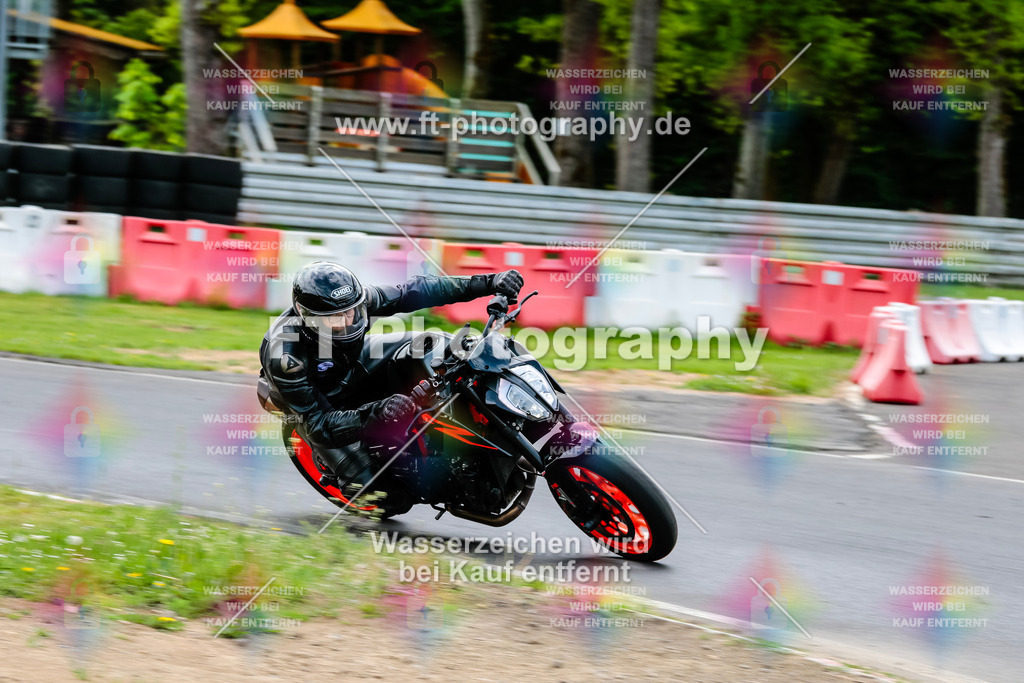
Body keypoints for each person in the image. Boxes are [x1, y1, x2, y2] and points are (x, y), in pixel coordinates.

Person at [258, 261, 524, 498]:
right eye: (333, 319)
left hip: (350, 362)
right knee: (380, 493)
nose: (346, 322)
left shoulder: (358, 303)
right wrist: (376, 411)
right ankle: (349, 469)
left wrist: (489, 282)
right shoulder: (286, 358)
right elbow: (319, 425)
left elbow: (416, 290)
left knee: (431, 345)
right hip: (316, 399)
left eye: (350, 313)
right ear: (308, 318)